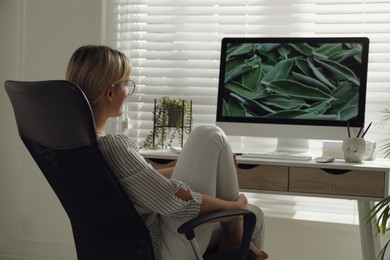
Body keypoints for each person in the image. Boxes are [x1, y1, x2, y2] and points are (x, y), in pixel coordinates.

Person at [65, 45, 268, 260]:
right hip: (158, 248)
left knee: (256, 216)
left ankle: (235, 231)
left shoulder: (80, 147)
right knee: (209, 134)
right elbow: (176, 201)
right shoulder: (114, 146)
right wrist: (235, 207)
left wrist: (204, 165)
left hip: (123, 247)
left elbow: (141, 183)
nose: (128, 92)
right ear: (109, 92)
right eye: (127, 84)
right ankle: (234, 231)